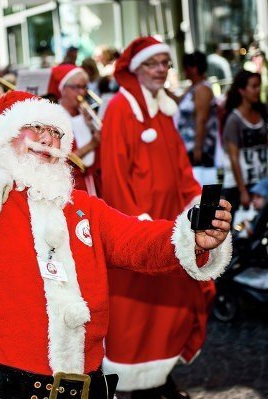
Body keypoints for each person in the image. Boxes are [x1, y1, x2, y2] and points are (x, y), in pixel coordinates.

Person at [0, 90, 232, 399]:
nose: (47, 139)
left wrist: (193, 235)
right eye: (35, 127)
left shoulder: (82, 207)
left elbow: (139, 241)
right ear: (2, 137)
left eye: (56, 132)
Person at [100, 36, 216, 399]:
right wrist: (139, 229)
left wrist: (197, 201)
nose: (162, 70)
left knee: (170, 313)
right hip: (142, 233)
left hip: (171, 229)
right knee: (137, 318)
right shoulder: (121, 108)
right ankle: (141, 384)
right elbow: (115, 176)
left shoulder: (163, 110)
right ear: (137, 68)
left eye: (166, 63)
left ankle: (160, 377)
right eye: (154, 63)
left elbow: (182, 169)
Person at [48, 64, 101, 195]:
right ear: (63, 89)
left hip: (94, 182)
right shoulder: (55, 118)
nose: (82, 92)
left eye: (84, 87)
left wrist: (91, 126)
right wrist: (92, 145)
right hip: (73, 187)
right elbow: (61, 161)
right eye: (77, 87)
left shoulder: (84, 113)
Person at [221, 70, 268, 213]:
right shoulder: (234, 119)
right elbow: (234, 157)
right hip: (239, 185)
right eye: (253, 86)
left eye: (258, 86)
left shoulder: (262, 112)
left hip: (260, 180)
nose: (257, 90)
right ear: (242, 90)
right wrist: (242, 191)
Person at [176, 51, 220, 185]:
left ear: (194, 68)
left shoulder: (202, 89)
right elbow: (178, 101)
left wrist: (198, 148)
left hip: (200, 148)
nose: (184, 71)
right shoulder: (193, 88)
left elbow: (201, 120)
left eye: (186, 68)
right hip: (190, 146)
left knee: (201, 184)